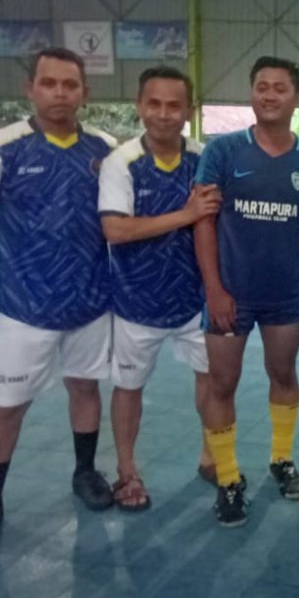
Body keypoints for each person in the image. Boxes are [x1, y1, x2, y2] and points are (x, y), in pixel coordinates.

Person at [0, 48, 116, 558]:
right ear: (31, 89)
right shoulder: (1, 148)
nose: (60, 93)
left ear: (85, 92)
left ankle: (84, 472)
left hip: (91, 301)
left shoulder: (105, 148)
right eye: (49, 83)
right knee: (7, 407)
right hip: (27, 307)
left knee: (85, 388)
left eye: (70, 84)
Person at [194, 56, 299, 527]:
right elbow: (202, 222)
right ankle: (228, 479)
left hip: (285, 295)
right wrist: (214, 289)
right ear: (251, 93)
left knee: (283, 374)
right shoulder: (223, 151)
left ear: (297, 98)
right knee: (221, 383)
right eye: (261, 86)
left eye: (280, 88)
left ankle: (281, 460)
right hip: (231, 294)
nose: (269, 95)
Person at [98, 66, 221, 511]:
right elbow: (116, 230)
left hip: (194, 300)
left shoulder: (204, 158)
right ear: (139, 106)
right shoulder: (121, 163)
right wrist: (185, 215)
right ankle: (127, 471)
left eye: (174, 105)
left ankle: (211, 457)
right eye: (154, 104)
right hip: (136, 303)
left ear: (188, 110)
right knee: (128, 388)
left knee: (211, 379)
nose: (164, 114)